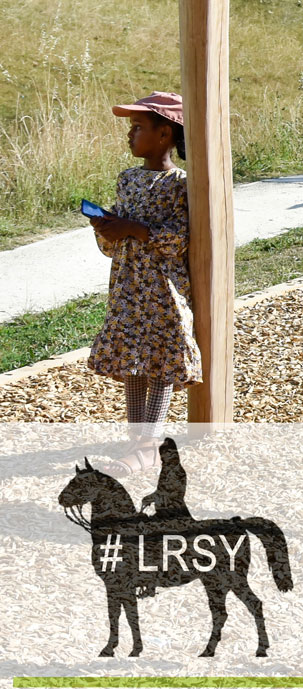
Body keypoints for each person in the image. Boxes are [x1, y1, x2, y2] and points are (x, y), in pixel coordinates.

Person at [87, 91, 202, 475]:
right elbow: (111, 245)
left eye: (138, 127)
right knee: (132, 360)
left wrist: (134, 228)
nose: (130, 135)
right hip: (126, 285)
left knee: (162, 359)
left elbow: (179, 239)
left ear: (165, 134)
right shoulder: (128, 178)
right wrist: (107, 229)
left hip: (162, 289)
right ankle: (136, 439)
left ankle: (150, 444)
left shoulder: (182, 184)